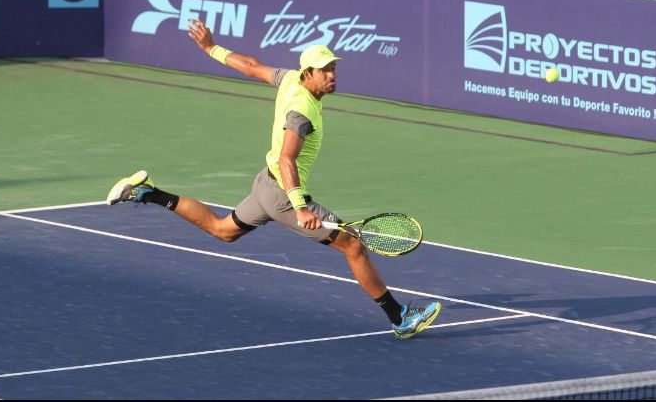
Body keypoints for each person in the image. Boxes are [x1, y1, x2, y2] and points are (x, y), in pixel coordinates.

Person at [106, 19, 441, 340]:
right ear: (309, 73)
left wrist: (211, 49)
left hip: (266, 185)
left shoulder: (291, 79)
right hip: (282, 193)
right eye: (325, 71)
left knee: (223, 230)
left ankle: (147, 194)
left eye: (333, 68)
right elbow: (287, 159)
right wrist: (300, 207)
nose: (332, 75)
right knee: (353, 245)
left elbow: (252, 65)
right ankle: (400, 318)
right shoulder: (303, 113)